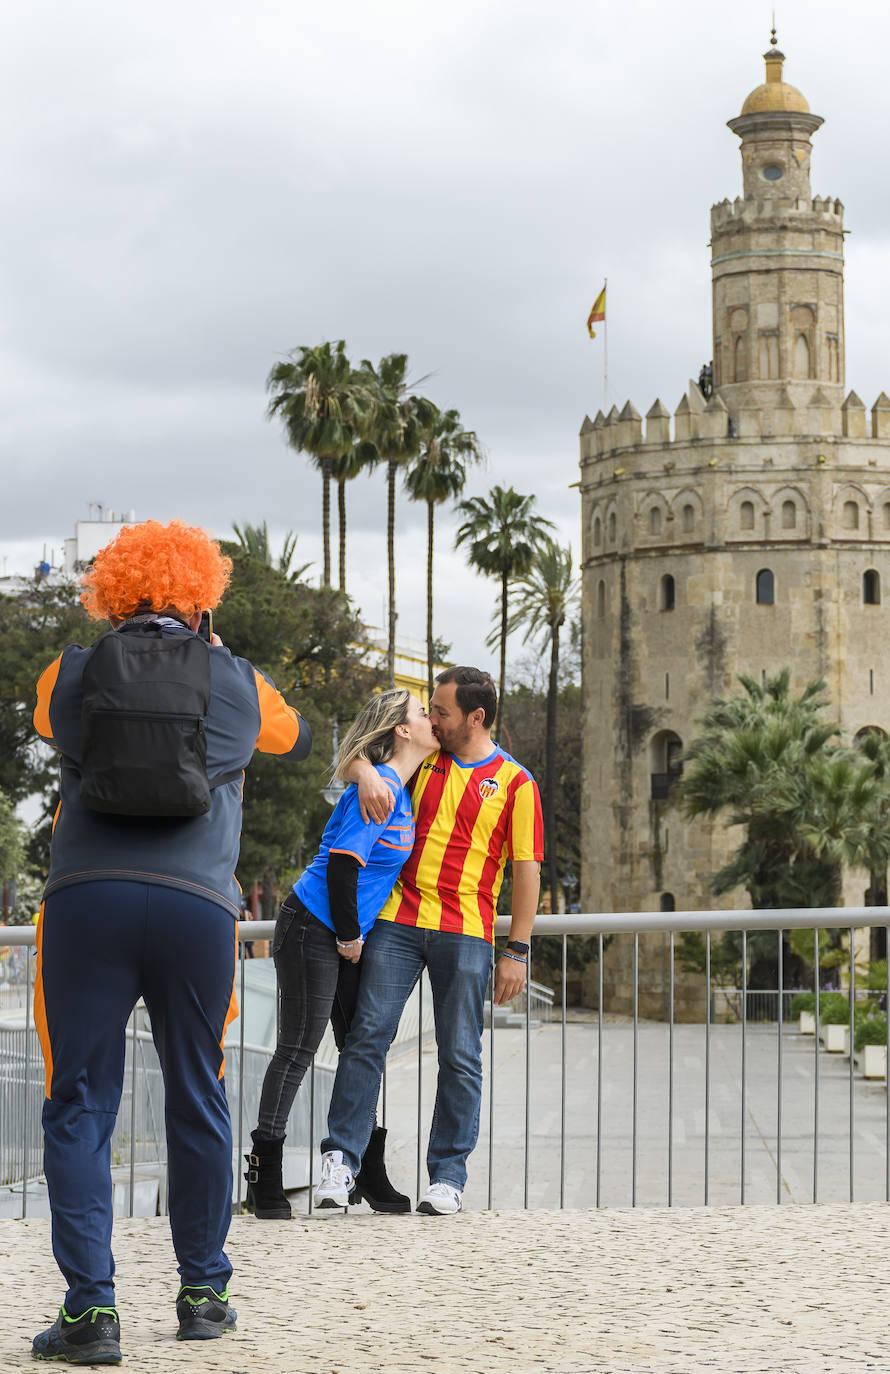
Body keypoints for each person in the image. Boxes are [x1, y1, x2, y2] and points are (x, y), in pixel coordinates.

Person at [31, 520, 311, 1364]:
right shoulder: (236, 681)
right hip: (197, 910)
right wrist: (214, 656)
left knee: (79, 1101)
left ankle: (90, 1313)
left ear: (112, 594)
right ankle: (202, 1293)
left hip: (87, 903)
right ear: (203, 596)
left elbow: (50, 726)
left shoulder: (71, 674)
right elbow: (289, 736)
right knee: (198, 1094)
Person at [319, 665, 542, 1216]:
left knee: (461, 1055)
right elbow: (352, 753)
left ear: (476, 717)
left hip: (467, 931)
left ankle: (448, 1176)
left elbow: (526, 869)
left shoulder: (516, 783)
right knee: (367, 1036)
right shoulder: (424, 759)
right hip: (397, 921)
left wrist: (517, 949)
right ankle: (340, 1161)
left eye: (441, 711)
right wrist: (363, 773)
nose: (433, 719)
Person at [244, 687, 437, 1219]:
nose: (432, 720)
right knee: (299, 1047)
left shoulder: (397, 783)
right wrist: (351, 937)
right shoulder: (377, 793)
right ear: (402, 730)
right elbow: (343, 866)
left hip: (346, 934)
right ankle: (265, 1174)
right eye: (424, 714)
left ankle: (366, 1170)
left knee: (361, 1048)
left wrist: (360, 766)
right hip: (314, 927)